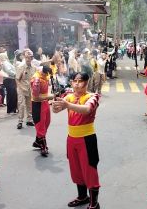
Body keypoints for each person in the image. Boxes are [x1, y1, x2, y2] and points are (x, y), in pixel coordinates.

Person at [52, 72, 101, 209]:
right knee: (76, 170)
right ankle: (82, 197)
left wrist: (67, 105)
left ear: (87, 82)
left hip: (86, 138)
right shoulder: (69, 96)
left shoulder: (92, 96)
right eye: (74, 81)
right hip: (71, 139)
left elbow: (87, 109)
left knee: (90, 170)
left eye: (80, 81)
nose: (77, 84)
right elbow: (56, 110)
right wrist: (55, 105)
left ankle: (94, 203)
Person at [30, 65, 54, 156]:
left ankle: (37, 141)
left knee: (46, 123)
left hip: (45, 103)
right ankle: (43, 146)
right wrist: (51, 96)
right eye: (46, 73)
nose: (47, 75)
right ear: (42, 72)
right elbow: (36, 97)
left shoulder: (44, 77)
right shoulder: (36, 79)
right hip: (38, 105)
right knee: (41, 126)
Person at [16, 50, 36, 129]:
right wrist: (20, 87)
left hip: (29, 88)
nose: (28, 59)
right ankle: (20, 121)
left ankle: (29, 120)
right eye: (27, 57)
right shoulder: (21, 67)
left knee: (29, 104)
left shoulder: (33, 67)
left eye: (30, 57)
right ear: (24, 57)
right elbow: (17, 79)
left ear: (32, 58)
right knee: (21, 104)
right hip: (22, 88)